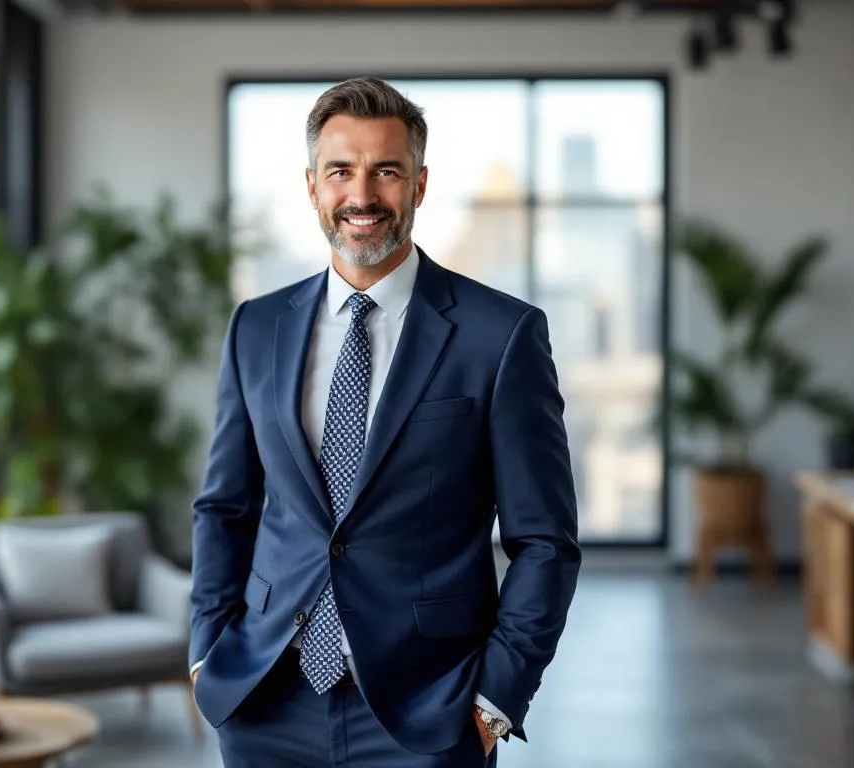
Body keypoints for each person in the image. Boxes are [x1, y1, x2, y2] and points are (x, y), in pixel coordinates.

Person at [188, 75, 581, 767]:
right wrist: (207, 650)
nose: (362, 196)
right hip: (264, 699)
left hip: (429, 711)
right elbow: (225, 505)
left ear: (420, 185)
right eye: (341, 171)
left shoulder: (502, 334)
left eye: (386, 172)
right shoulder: (256, 327)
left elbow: (545, 540)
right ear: (312, 185)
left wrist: (495, 699)